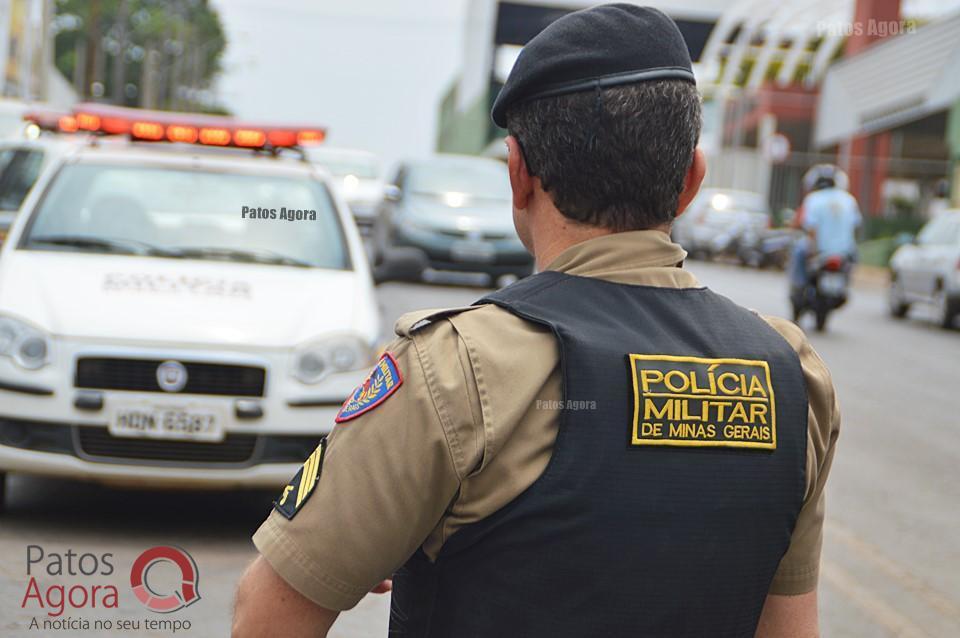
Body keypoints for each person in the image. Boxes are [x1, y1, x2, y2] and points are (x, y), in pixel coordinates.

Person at [233, 5, 841, 637]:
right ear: (691, 180)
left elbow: (268, 617)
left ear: (517, 172)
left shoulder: (455, 369)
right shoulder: (790, 375)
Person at [789, 164, 862, 292]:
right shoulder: (849, 200)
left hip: (820, 251)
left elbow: (811, 228)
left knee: (798, 249)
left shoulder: (812, 199)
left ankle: (799, 285)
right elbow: (855, 226)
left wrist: (814, 249)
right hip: (845, 252)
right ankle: (846, 284)